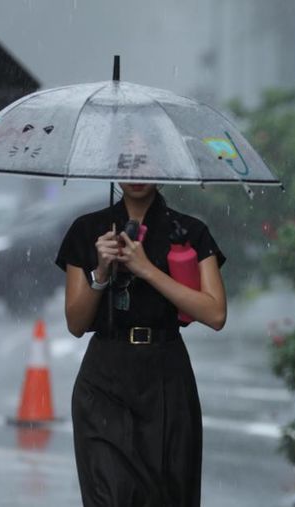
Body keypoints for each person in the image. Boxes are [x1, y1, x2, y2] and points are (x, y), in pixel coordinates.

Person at [55, 183, 227, 507]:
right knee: (110, 494)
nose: (137, 172)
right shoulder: (89, 230)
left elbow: (215, 313)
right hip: (104, 377)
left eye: (146, 160)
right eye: (128, 160)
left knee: (168, 495)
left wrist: (145, 269)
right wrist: (102, 272)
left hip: (166, 376)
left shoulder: (190, 231)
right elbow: (76, 324)